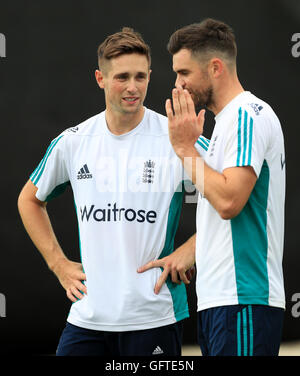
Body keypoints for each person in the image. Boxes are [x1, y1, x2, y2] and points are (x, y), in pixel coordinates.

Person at [17, 27, 208, 356]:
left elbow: (233, 198)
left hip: (154, 316)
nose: (132, 87)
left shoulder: (175, 138)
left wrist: (192, 248)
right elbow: (29, 200)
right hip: (87, 317)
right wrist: (58, 264)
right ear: (100, 78)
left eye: (140, 76)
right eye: (121, 77)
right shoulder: (73, 142)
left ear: (150, 76)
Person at [138, 18, 286, 356]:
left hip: (245, 301)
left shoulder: (246, 115)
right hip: (220, 302)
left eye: (184, 73)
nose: (178, 85)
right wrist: (189, 252)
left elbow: (230, 201)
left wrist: (187, 150)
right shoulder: (225, 125)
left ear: (215, 67)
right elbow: (231, 210)